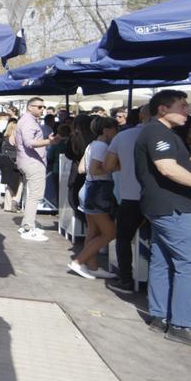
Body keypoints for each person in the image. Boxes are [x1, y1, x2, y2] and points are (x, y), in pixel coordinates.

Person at [134, 90, 191, 349]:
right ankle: (182, 324)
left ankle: (160, 316)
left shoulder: (162, 134)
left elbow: (171, 165)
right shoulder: (157, 132)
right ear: (163, 109)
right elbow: (166, 169)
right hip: (173, 206)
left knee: (162, 260)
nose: (187, 111)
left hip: (161, 205)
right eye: (182, 106)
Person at [103, 104, 151, 294]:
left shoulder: (123, 136)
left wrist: (125, 169)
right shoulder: (169, 136)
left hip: (130, 195)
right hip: (156, 197)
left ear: (140, 116)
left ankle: (126, 279)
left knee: (123, 238)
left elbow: (108, 165)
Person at [70, 117, 119, 279]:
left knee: (93, 232)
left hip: (89, 188)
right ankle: (79, 261)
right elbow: (94, 169)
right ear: (106, 130)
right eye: (114, 129)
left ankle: (92, 266)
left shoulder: (92, 145)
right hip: (98, 191)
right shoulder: (102, 147)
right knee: (110, 233)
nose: (116, 132)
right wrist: (115, 167)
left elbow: (82, 169)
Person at [13, 97, 56, 242]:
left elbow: (16, 140)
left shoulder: (26, 121)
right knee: (35, 196)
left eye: (43, 107)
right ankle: (28, 227)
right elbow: (29, 143)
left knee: (31, 194)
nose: (42, 109)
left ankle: (27, 224)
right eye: (39, 107)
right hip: (32, 162)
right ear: (30, 107)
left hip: (28, 161)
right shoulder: (28, 121)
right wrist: (49, 141)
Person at [0, 119, 22, 212]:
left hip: (3, 160)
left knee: (9, 183)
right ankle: (15, 202)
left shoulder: (5, 138)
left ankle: (7, 205)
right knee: (19, 182)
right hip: (13, 161)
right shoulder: (16, 137)